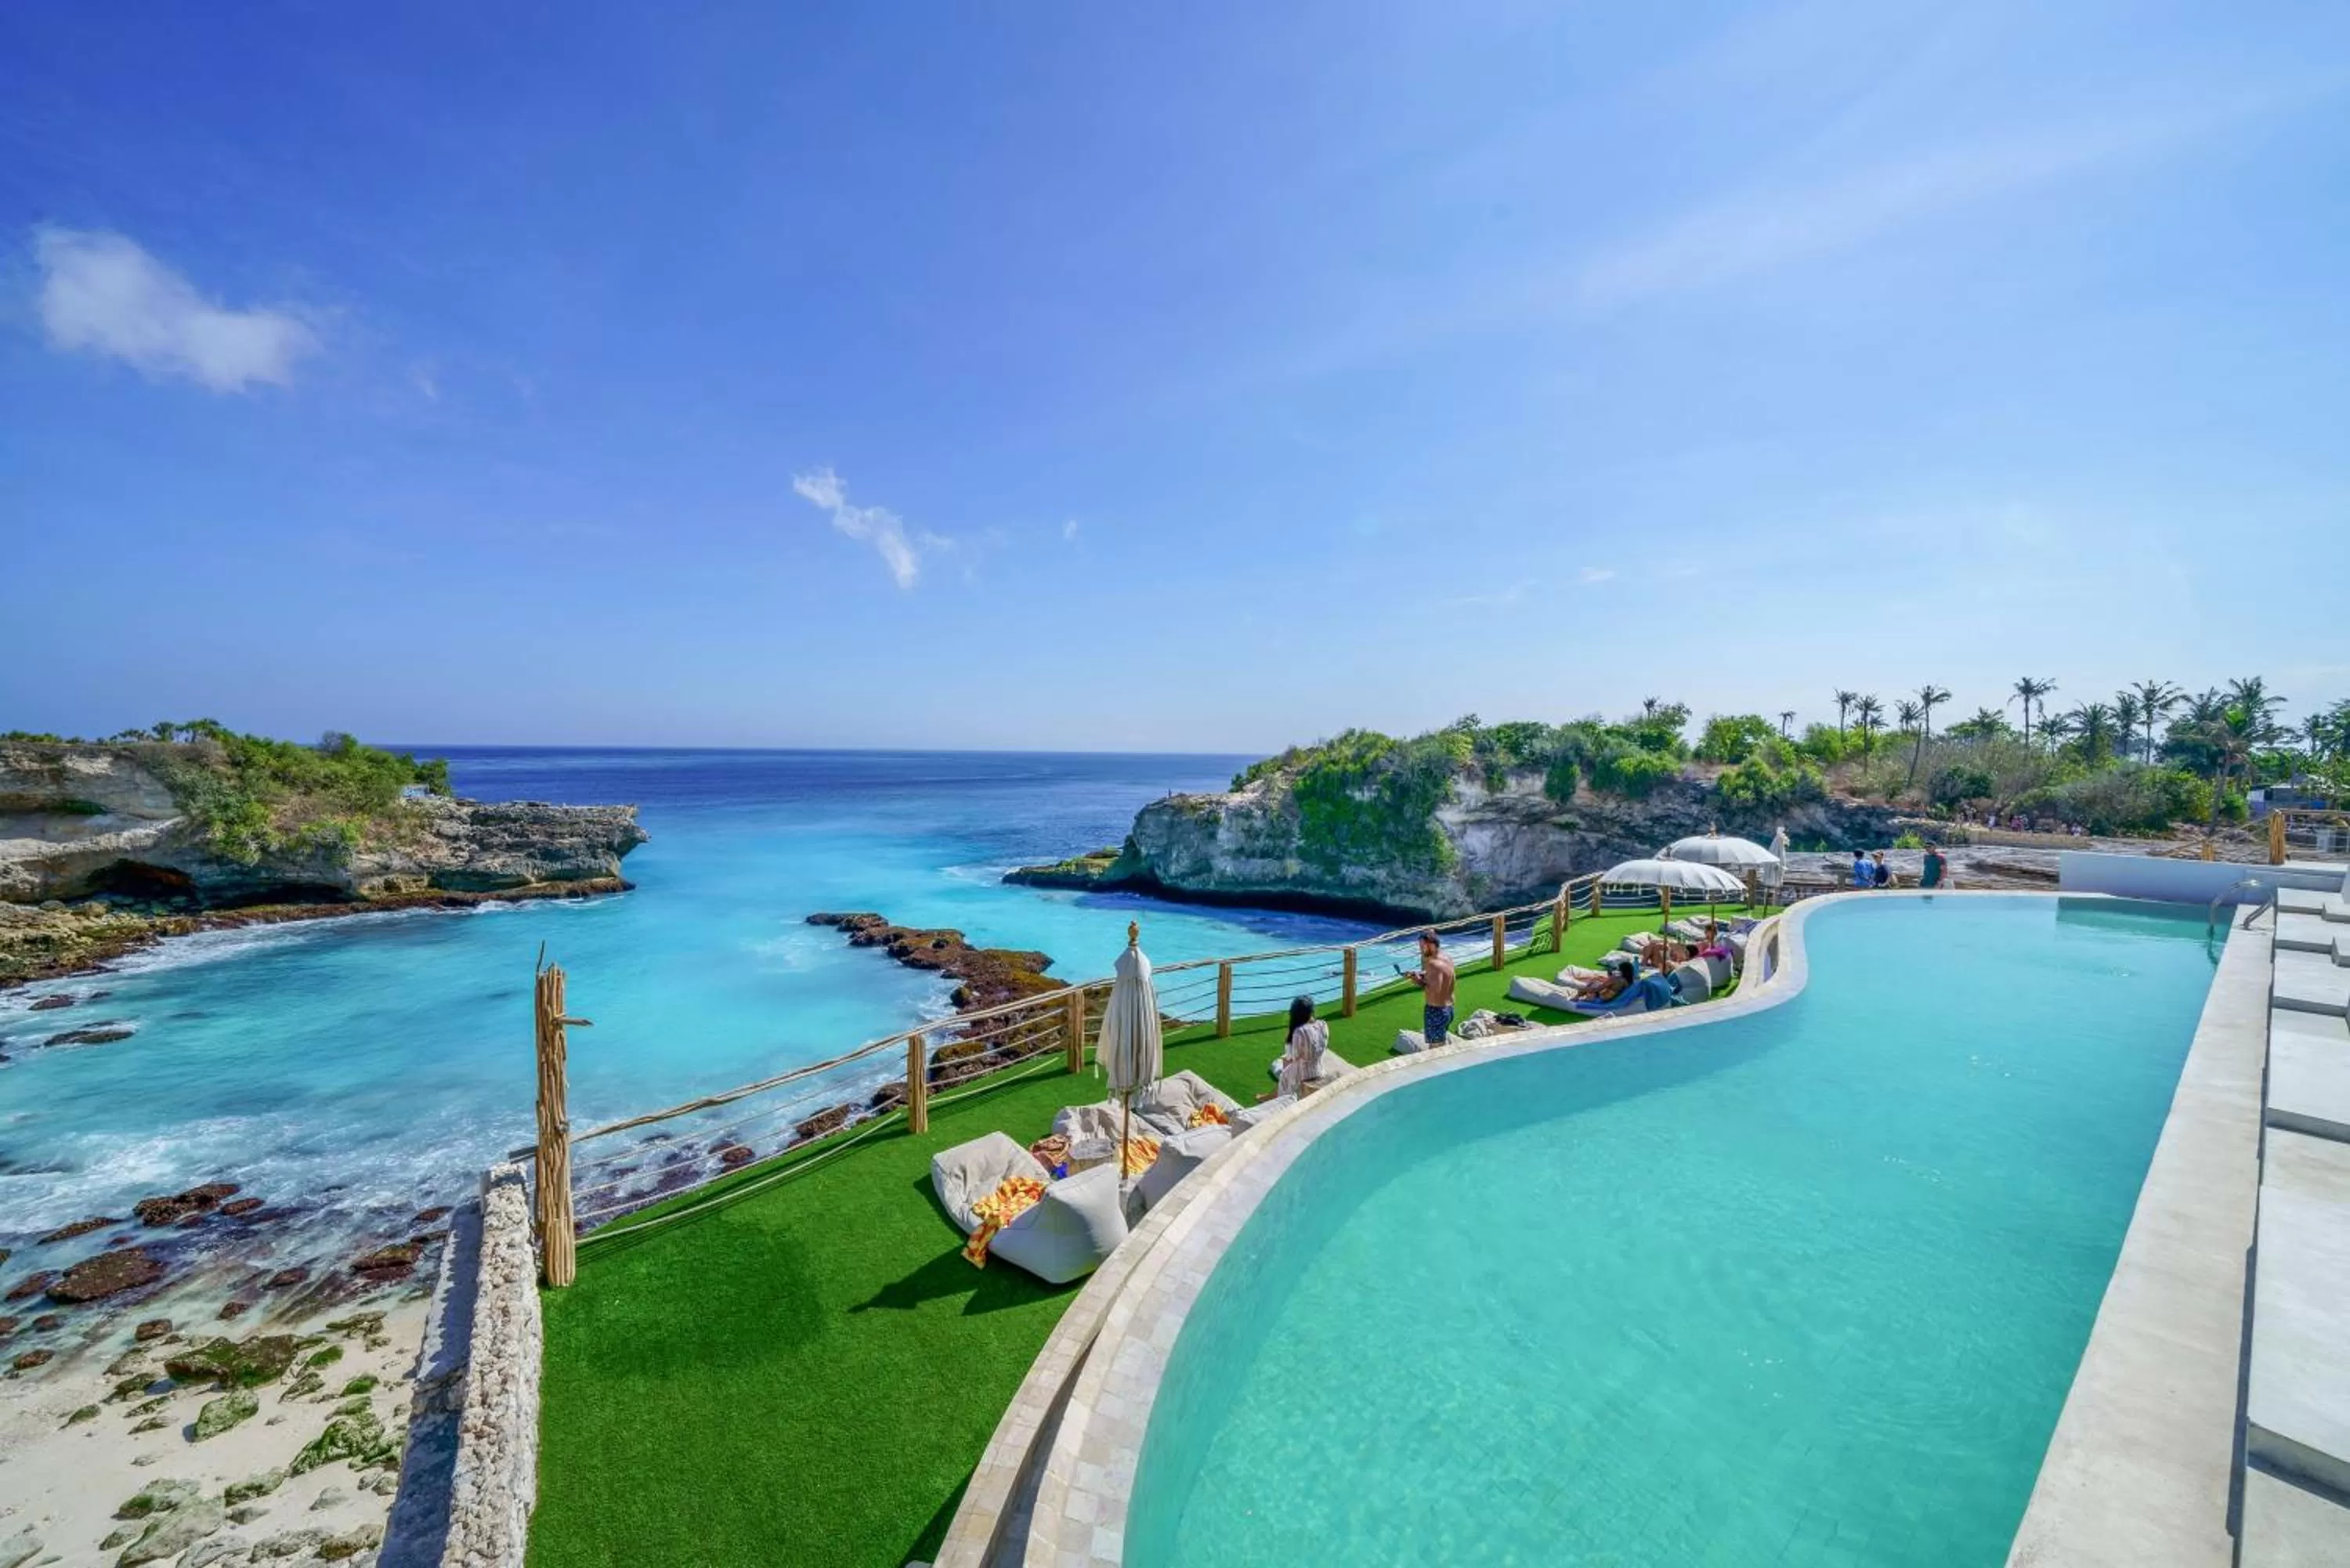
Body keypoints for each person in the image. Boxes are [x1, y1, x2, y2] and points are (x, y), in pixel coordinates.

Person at [1406, 930, 1458, 1046]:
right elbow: (1444, 977)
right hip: (1449, 1008)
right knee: (1441, 1044)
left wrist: (1418, 981)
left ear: (1432, 945)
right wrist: (1422, 974)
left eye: (1422, 946)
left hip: (1436, 1011)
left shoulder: (1433, 964)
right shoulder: (1447, 958)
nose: (1421, 950)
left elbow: (1435, 990)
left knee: (1436, 1050)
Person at [1274, 995, 1329, 1099]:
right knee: (1283, 1065)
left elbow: (1293, 1059)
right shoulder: (1323, 1025)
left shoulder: (1299, 1032)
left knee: (1282, 1069)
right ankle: (1273, 1094)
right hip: (1319, 1071)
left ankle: (1278, 1098)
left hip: (1303, 1076)